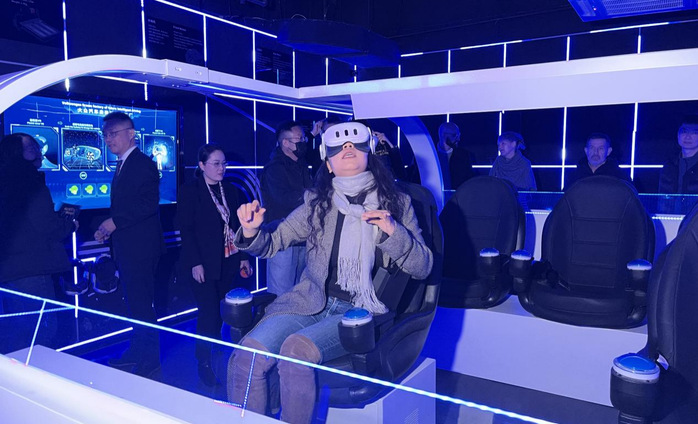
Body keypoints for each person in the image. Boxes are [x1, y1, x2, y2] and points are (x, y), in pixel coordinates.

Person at [227, 121, 433, 424]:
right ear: (328, 163)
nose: (347, 148)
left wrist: (394, 232)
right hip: (310, 302)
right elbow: (274, 241)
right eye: (339, 147)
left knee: (295, 351)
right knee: (247, 355)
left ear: (369, 153)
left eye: (354, 145)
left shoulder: (398, 204)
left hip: (361, 311)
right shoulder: (316, 204)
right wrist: (250, 231)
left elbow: (423, 266)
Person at [95, 112, 165, 378]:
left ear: (131, 133)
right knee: (135, 304)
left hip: (141, 250)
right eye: (105, 134)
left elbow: (147, 204)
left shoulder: (143, 163)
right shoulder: (123, 164)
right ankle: (137, 352)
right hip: (128, 247)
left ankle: (151, 359)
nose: (108, 139)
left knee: (142, 305)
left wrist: (115, 222)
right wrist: (108, 228)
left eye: (113, 133)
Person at [177, 143, 252, 386]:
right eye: (216, 164)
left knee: (217, 308)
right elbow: (186, 230)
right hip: (202, 262)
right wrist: (195, 262)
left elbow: (238, 227)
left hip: (227, 259)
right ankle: (203, 361)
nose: (222, 168)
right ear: (202, 165)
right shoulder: (190, 191)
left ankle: (213, 342)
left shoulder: (230, 190)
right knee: (207, 311)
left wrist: (243, 257)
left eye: (224, 163)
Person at [0, 133, 78, 352]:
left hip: (8, 269)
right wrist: (70, 225)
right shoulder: (30, 182)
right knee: (42, 330)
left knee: (17, 330)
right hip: (31, 268)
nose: (39, 152)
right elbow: (47, 227)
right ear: (19, 153)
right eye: (33, 147)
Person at [260, 121, 313, 295]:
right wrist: (310, 195)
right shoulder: (274, 169)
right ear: (286, 143)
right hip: (282, 237)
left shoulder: (302, 165)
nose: (304, 142)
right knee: (281, 293)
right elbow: (283, 199)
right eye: (299, 139)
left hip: (304, 236)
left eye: (304, 138)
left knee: (301, 291)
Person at [565, 133, 631, 189]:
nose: (596, 152)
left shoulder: (620, 177)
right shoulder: (574, 177)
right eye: (592, 148)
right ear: (586, 150)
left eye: (601, 148)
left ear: (608, 151)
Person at [659, 115, 698, 194]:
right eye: (684, 131)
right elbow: (663, 197)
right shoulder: (669, 165)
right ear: (678, 134)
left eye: (694, 132)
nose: (688, 137)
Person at [437, 122, 476, 190]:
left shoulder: (464, 156)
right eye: (455, 135)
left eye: (459, 135)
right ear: (443, 135)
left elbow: (469, 180)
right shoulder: (430, 154)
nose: (458, 139)